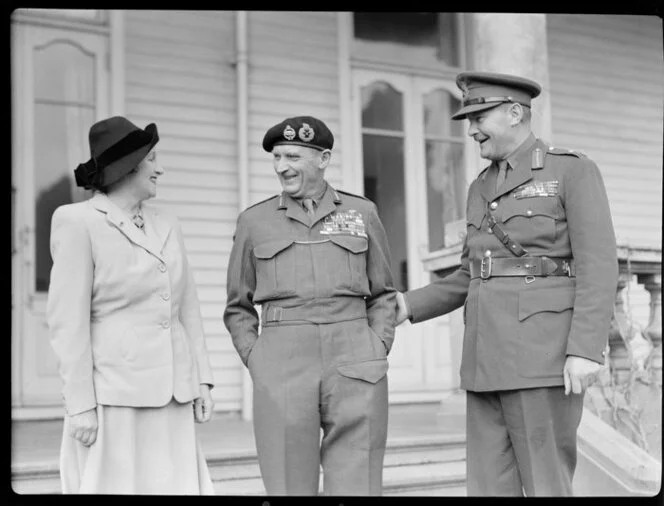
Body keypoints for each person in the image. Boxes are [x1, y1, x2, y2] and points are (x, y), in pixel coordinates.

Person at [395, 72, 618, 496]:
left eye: (480, 116)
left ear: (515, 113)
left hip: (542, 357)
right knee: (487, 489)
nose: (472, 130)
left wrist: (585, 349)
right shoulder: (480, 185)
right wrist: (407, 305)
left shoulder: (571, 170)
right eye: (468, 120)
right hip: (484, 359)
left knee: (545, 483)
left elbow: (599, 264)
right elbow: (471, 272)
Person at [224, 116, 396, 496]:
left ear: (323, 158)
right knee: (288, 484)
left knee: (359, 482)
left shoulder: (361, 213)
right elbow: (238, 305)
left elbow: (383, 292)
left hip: (355, 358)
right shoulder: (254, 221)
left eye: (293, 157)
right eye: (277, 157)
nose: (282, 166)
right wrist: (258, 359)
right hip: (282, 361)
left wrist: (377, 344)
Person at [47, 116, 216, 494]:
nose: (160, 169)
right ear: (128, 166)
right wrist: (80, 405)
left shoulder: (168, 222)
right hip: (114, 398)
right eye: (152, 159)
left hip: (173, 395)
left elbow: (187, 306)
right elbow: (67, 324)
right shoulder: (77, 222)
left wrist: (202, 380)